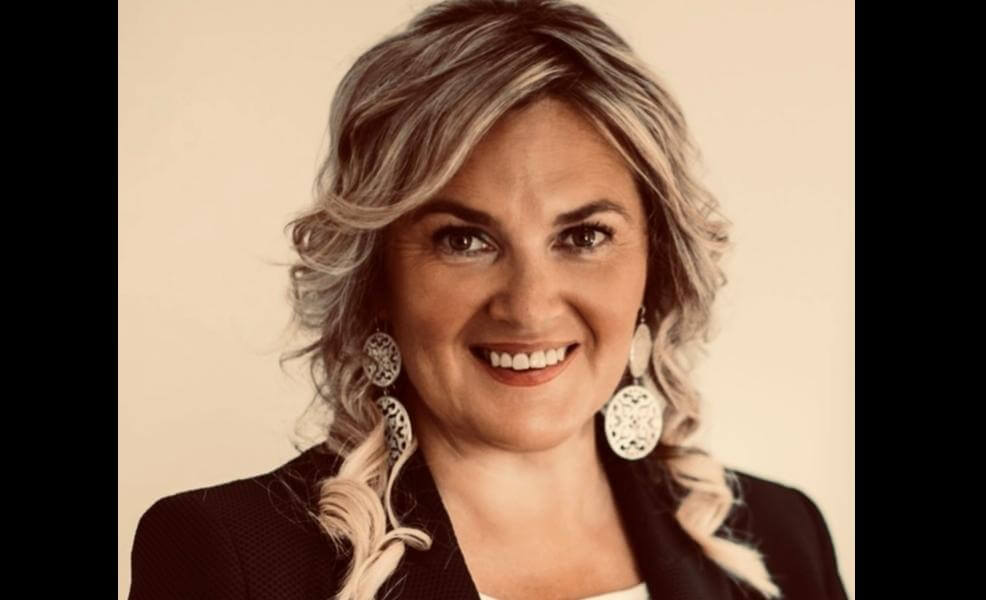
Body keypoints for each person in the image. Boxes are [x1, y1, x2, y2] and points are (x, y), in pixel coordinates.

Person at [128, 1, 849, 598]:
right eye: (464, 240)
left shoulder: (781, 538)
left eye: (584, 236)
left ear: (654, 267)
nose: (529, 307)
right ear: (375, 277)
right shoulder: (228, 558)